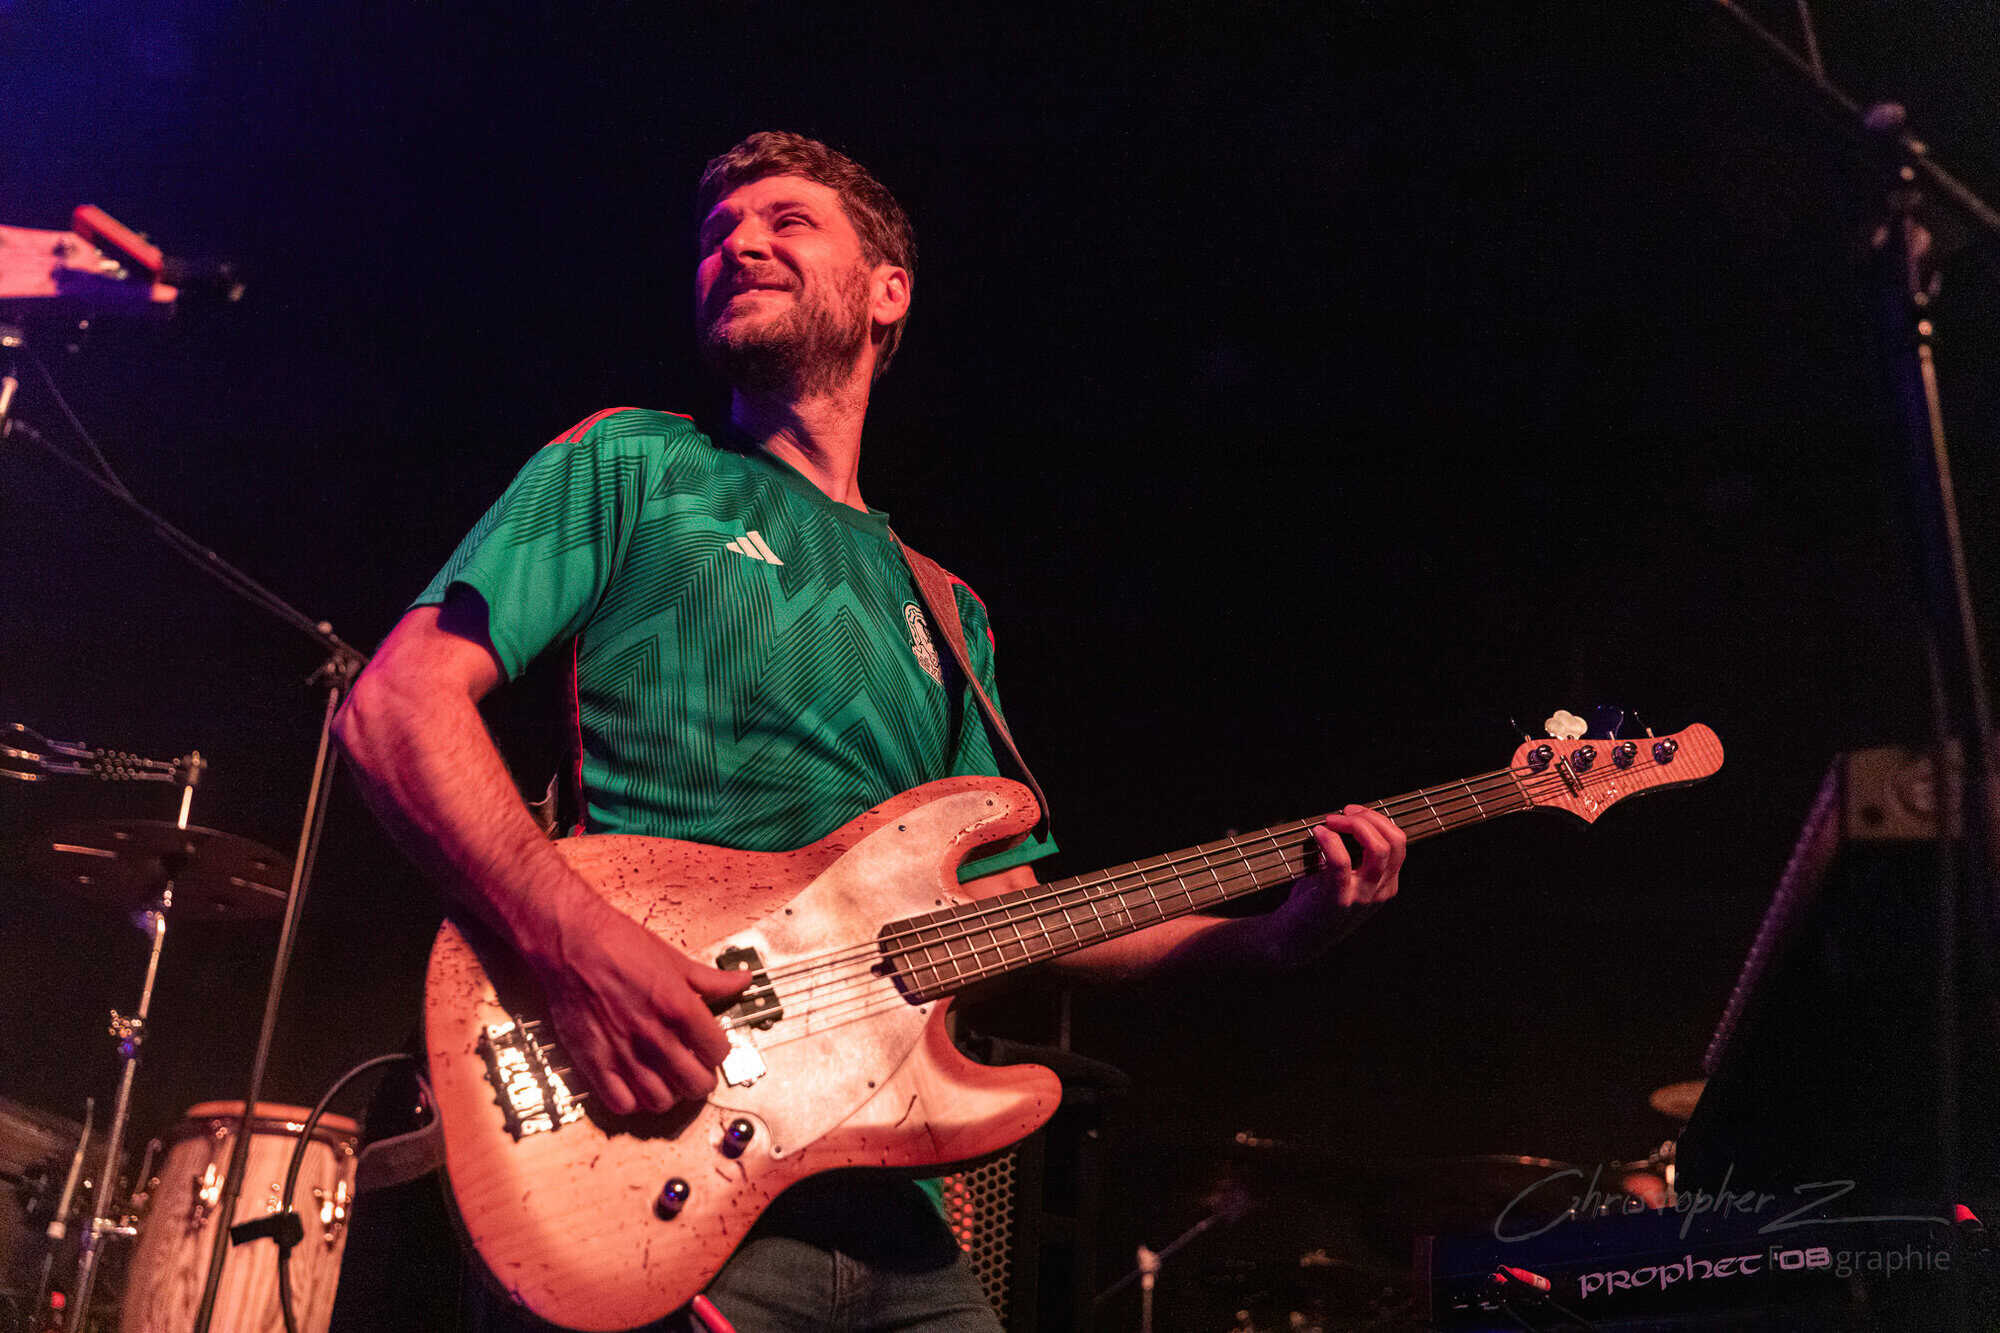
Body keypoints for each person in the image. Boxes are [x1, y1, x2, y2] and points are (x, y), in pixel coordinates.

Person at [331, 130, 1407, 1332]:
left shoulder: (947, 609)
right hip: (649, 1160)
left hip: (899, 1221)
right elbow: (396, 708)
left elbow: (1011, 913)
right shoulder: (635, 463)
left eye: (787, 220)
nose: (738, 244)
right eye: (717, 234)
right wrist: (574, 943)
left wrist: (1268, 939)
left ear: (887, 292)